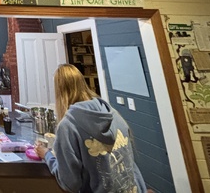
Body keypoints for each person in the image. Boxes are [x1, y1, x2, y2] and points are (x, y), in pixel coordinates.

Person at [34, 64, 147, 193]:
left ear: (59, 91)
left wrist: (47, 155)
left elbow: (70, 183)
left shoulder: (68, 126)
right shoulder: (112, 113)